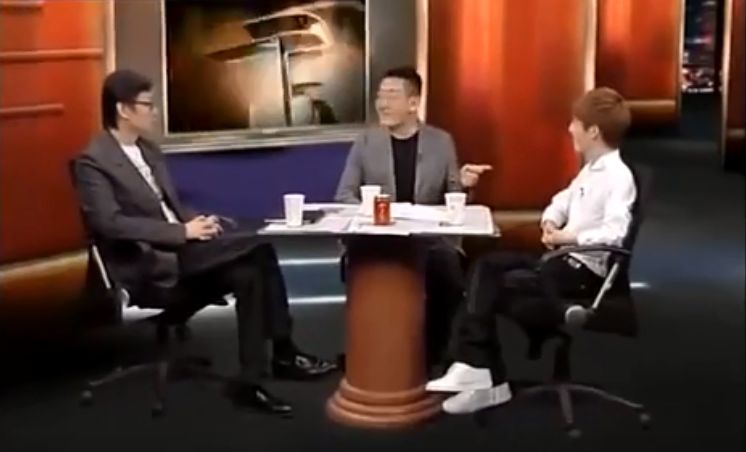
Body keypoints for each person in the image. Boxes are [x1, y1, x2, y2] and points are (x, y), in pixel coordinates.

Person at [73, 69, 336, 416]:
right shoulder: (93, 161)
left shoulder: (148, 150)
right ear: (123, 110)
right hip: (149, 263)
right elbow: (109, 223)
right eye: (148, 105)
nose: (155, 112)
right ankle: (284, 355)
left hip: (184, 251)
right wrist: (182, 233)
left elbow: (169, 205)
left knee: (251, 271)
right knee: (257, 249)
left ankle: (252, 379)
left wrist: (198, 221)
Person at [426, 87, 637, 414]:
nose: (570, 128)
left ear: (594, 131)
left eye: (575, 123)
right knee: (486, 267)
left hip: (582, 273)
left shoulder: (618, 176)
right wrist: (551, 221)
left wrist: (567, 237)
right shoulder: (591, 169)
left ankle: (482, 370)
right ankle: (480, 370)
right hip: (561, 260)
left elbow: (615, 234)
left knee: (492, 283)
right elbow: (562, 201)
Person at [335, 66, 492, 368]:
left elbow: (454, 199)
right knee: (363, 268)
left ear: (413, 103)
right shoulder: (365, 142)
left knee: (447, 270)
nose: (382, 104)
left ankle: (432, 355)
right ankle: (368, 351)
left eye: (391, 96)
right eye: (380, 96)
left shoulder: (441, 142)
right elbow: (345, 195)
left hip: (428, 240)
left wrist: (465, 186)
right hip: (376, 238)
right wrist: (374, 216)